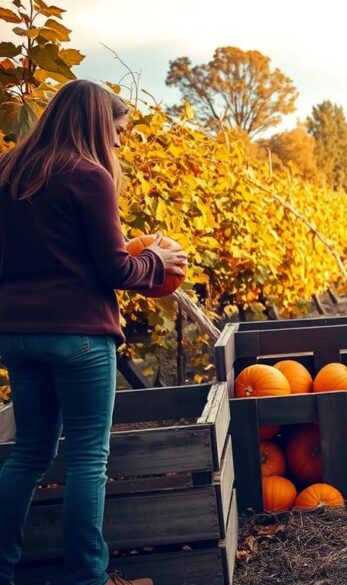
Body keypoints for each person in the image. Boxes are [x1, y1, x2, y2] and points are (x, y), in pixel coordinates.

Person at [0, 80, 188, 585]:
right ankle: (87, 577)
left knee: (29, 455)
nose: (121, 143)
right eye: (119, 131)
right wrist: (156, 260)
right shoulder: (89, 175)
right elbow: (114, 271)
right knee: (87, 457)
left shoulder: (8, 171)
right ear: (96, 125)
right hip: (79, 336)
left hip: (16, 334)